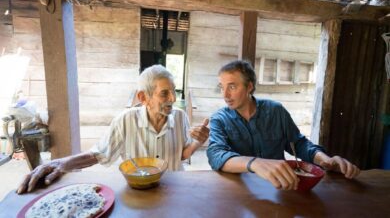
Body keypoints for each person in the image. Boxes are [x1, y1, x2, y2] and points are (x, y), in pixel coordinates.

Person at [17, 65, 209, 194]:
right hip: (138, 193)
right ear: (143, 98)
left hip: (174, 190)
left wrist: (198, 142)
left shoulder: (180, 116)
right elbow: (98, 154)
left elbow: (181, 155)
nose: (173, 99)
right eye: (164, 93)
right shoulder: (125, 120)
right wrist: (60, 164)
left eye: (174, 91)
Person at [207, 60, 360, 190]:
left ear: (249, 87)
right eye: (222, 87)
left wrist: (325, 160)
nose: (225, 95)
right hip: (239, 190)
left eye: (232, 87)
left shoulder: (276, 111)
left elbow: (298, 143)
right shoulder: (219, 119)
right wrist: (255, 164)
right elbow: (216, 155)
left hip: (280, 188)